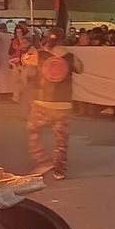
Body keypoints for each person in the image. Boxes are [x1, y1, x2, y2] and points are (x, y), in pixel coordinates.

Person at [23, 27, 83, 180]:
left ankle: (43, 161)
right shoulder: (70, 57)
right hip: (63, 104)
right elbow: (80, 69)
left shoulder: (39, 55)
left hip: (42, 103)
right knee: (61, 139)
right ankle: (59, 170)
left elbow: (27, 70)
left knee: (32, 129)